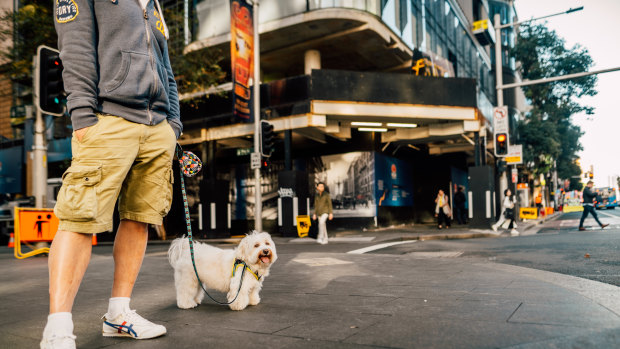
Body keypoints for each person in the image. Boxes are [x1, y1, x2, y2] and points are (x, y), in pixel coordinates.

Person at [41, 0, 181, 347]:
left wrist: (173, 123)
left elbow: (166, 68)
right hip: (108, 120)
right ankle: (57, 327)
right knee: (78, 219)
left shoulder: (153, 4)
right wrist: (83, 118)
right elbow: (75, 51)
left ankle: (119, 314)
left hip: (157, 126)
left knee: (138, 218)